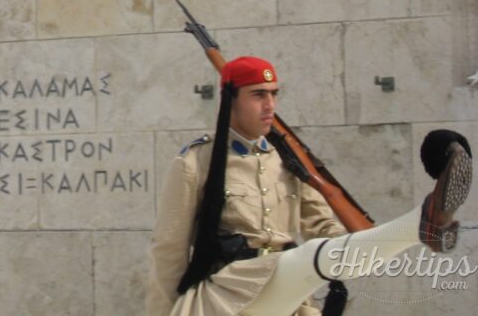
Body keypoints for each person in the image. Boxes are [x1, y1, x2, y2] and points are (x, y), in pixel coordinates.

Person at [147, 56, 472, 316]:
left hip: (288, 297)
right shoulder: (195, 163)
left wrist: (359, 245)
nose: (270, 105)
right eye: (258, 94)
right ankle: (420, 223)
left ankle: (415, 230)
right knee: (311, 257)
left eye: (274, 94)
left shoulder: (286, 162)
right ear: (230, 100)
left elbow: (323, 230)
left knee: (341, 255)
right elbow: (168, 253)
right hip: (228, 295)